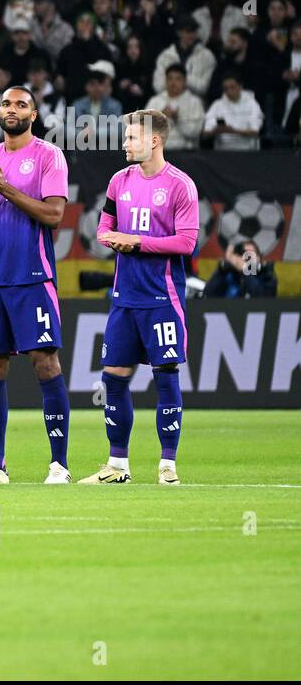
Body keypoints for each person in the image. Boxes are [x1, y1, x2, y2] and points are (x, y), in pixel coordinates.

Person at [0, 86, 71, 484]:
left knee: (44, 362)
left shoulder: (48, 156)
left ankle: (59, 464)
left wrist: (3, 187)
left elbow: (54, 214)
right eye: (6, 103)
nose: (11, 109)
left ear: (33, 115)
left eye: (21, 104)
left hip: (33, 278)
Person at [84, 110, 200, 485]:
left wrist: (136, 242)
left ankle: (168, 465)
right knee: (112, 378)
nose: (124, 144)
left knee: (166, 377)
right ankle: (117, 466)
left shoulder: (181, 185)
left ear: (154, 141)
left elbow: (186, 242)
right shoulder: (120, 181)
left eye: (131, 138)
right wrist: (110, 239)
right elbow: (104, 226)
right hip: (124, 299)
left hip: (162, 298)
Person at [204, 239, 278, 298]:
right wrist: (221, 270)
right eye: (243, 253)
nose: (246, 258)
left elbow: (264, 299)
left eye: (250, 254)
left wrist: (244, 270)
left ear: (258, 257)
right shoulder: (229, 274)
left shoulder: (266, 274)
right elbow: (208, 293)